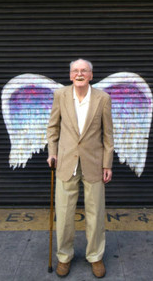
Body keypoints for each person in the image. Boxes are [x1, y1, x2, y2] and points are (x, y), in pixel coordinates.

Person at [47, 58, 114, 278]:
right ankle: (64, 257)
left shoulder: (103, 99)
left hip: (93, 163)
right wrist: (52, 152)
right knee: (64, 214)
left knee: (95, 214)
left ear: (91, 75)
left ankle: (95, 256)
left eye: (84, 70)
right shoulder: (61, 96)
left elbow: (108, 135)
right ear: (69, 75)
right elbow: (53, 127)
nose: (79, 73)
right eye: (75, 70)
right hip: (66, 162)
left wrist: (107, 164)